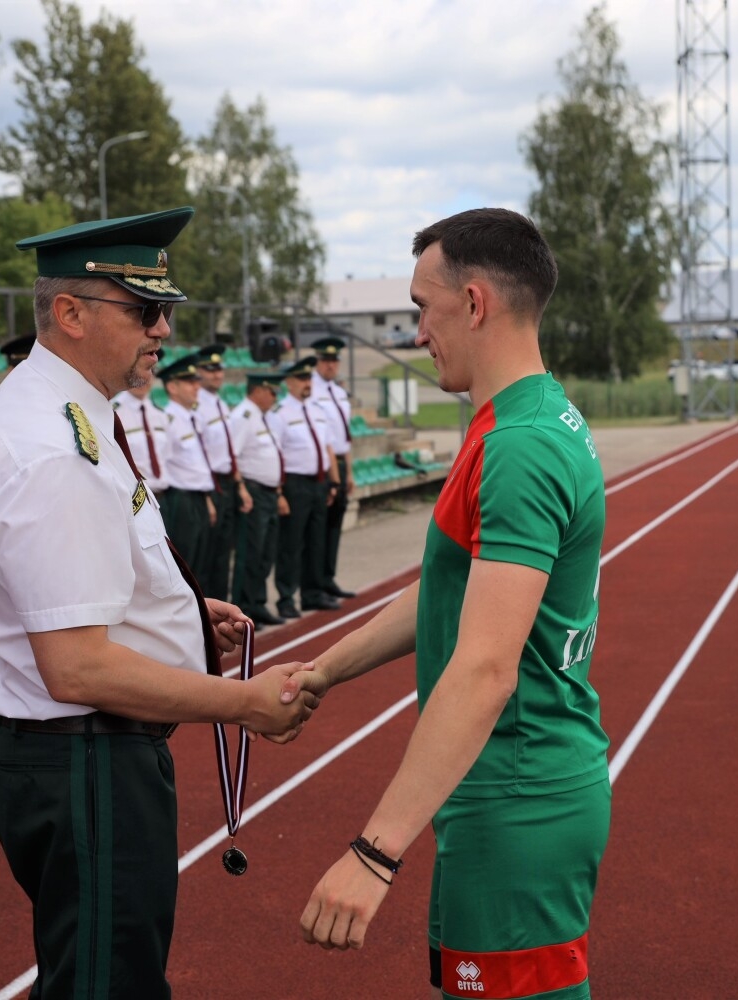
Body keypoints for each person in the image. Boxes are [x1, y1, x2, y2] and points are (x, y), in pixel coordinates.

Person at [0, 207, 320, 998]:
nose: (162, 328)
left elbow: (94, 582)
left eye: (165, 310)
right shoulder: (52, 447)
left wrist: (182, 616)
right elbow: (78, 666)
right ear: (71, 313)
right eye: (143, 309)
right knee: (105, 984)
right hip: (88, 760)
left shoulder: (73, 416)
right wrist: (238, 701)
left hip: (91, 757)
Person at [293, 209, 609, 1000]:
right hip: (499, 786)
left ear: (474, 304)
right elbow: (446, 594)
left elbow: (485, 667)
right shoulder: (516, 419)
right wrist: (324, 671)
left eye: (420, 309)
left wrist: (374, 851)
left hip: (517, 789)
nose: (415, 331)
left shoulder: (519, 447)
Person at [271, 355, 341, 620]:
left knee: (316, 540)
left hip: (319, 483)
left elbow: (327, 447)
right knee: (291, 543)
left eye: (308, 377)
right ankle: (286, 597)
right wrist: (279, 492)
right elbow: (276, 453)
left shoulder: (317, 410)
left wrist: (333, 481)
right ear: (288, 382)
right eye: (301, 378)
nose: (306, 382)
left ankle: (312, 594)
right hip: (295, 484)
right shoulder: (280, 413)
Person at [228, 371, 287, 627]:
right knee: (250, 552)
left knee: (265, 552)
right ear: (258, 391)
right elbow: (233, 455)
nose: (275, 397)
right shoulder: (244, 416)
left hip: (268, 493)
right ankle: (245, 608)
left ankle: (259, 602)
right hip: (253, 490)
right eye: (272, 392)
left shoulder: (261, 417)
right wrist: (241, 488)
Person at [157, 354, 220, 595]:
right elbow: (165, 463)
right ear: (172, 387)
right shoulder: (167, 420)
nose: (197, 387)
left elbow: (198, 464)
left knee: (203, 563)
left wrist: (207, 500)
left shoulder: (194, 417)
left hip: (199, 497)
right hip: (180, 499)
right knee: (187, 565)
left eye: (197, 381)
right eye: (190, 382)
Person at [194, 348, 252, 601]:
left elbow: (229, 450)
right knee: (206, 555)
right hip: (211, 484)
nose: (217, 375)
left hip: (228, 483)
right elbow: (199, 453)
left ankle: (221, 606)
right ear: (199, 373)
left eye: (219, 369)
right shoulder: (197, 407)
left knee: (222, 553)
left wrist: (239, 485)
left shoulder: (221, 404)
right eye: (210, 369)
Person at [308, 337, 358, 600]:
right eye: (326, 361)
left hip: (340, 459)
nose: (330, 366)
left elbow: (344, 437)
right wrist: (335, 474)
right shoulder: (311, 390)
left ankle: (328, 578)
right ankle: (315, 583)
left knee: (334, 526)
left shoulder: (339, 392)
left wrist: (349, 472)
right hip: (324, 464)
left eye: (334, 361)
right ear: (318, 362)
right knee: (319, 530)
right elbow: (323, 436)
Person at [111, 378, 172, 496]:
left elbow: (168, 455)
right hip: (135, 497)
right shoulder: (112, 411)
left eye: (148, 371)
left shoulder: (159, 413)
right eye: (136, 373)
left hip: (165, 495)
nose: (142, 380)